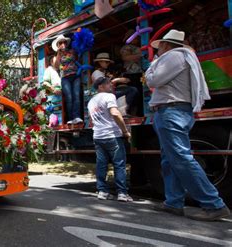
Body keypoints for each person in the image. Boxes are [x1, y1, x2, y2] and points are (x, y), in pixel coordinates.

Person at [146, 29, 230, 221]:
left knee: (181, 157)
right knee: (170, 159)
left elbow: (153, 80)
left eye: (160, 47)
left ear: (166, 45)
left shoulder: (173, 56)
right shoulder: (182, 56)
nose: (158, 51)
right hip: (175, 110)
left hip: (171, 111)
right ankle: (173, 202)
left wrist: (150, 68)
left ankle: (214, 204)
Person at [87, 77, 132, 202]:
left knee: (101, 164)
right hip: (112, 135)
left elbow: (92, 120)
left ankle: (102, 191)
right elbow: (115, 113)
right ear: (100, 87)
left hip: (98, 136)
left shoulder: (91, 102)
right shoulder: (109, 97)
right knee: (119, 164)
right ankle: (122, 193)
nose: (110, 86)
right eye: (108, 84)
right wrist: (125, 131)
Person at [53, 34, 83, 125]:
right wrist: (59, 53)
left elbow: (78, 58)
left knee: (76, 95)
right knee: (69, 97)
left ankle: (76, 117)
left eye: (64, 42)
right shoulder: (57, 56)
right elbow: (56, 66)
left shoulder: (72, 51)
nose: (63, 44)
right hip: (65, 78)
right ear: (58, 45)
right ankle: (70, 118)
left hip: (75, 76)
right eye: (60, 43)